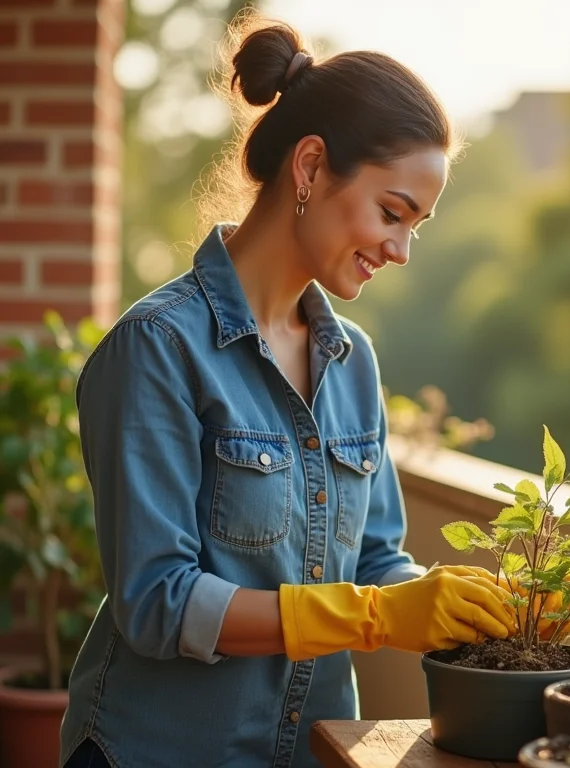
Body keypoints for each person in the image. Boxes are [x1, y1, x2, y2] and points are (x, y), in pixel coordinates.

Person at [60, 12, 517, 768]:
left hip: (312, 752)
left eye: (417, 226)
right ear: (310, 168)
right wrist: (374, 616)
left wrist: (453, 603)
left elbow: (373, 563)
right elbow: (156, 603)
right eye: (392, 213)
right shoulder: (158, 349)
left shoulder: (353, 360)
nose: (401, 250)